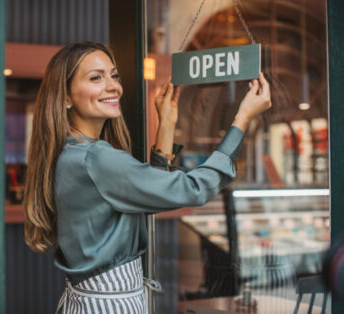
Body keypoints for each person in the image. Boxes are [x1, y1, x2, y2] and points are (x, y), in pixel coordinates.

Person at [23, 42, 272, 314]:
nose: (113, 86)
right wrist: (242, 119)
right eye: (96, 77)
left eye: (114, 75)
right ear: (66, 97)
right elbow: (195, 189)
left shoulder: (71, 153)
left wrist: (166, 123)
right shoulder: (97, 159)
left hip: (87, 300)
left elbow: (151, 192)